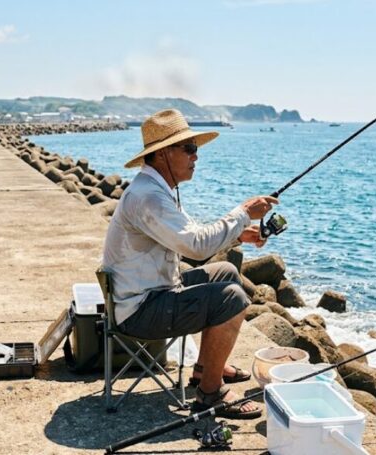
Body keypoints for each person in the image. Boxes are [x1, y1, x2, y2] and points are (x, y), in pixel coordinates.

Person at [101, 109, 278, 419]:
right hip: (141, 311)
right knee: (233, 299)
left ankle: (203, 370)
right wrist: (244, 212)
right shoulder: (149, 198)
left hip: (147, 296)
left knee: (227, 271)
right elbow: (197, 248)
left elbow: (192, 237)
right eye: (189, 148)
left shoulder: (154, 191)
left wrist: (239, 236)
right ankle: (209, 395)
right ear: (163, 153)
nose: (196, 156)